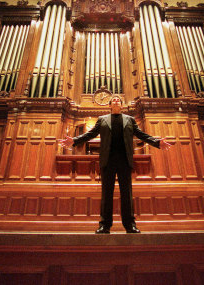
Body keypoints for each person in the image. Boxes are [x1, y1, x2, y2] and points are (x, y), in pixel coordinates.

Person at [58, 95, 172, 234]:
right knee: (106, 194)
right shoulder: (102, 119)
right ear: (110, 105)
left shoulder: (130, 120)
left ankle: (130, 225)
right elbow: (90, 134)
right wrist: (74, 141)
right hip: (108, 160)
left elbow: (141, 134)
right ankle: (104, 225)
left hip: (124, 160)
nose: (116, 101)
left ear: (122, 105)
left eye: (118, 100)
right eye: (114, 100)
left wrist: (157, 142)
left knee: (127, 194)